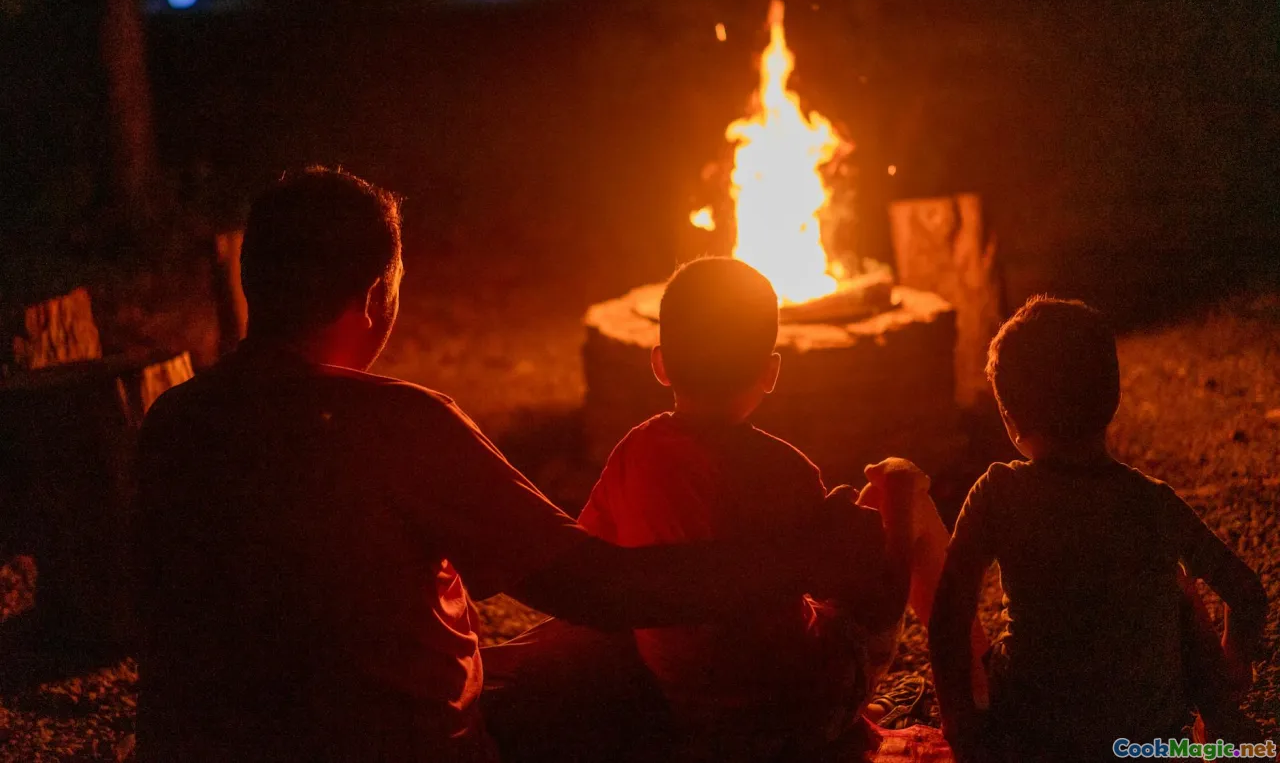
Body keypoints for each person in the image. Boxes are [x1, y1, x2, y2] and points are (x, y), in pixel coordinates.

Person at [134, 168, 890, 763]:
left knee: (542, 664)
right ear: (375, 296)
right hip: (397, 749)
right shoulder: (401, 426)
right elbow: (600, 588)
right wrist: (797, 554)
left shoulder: (172, 422)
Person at [575, 257, 983, 758]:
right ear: (770, 372)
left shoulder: (631, 453)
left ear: (658, 362)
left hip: (686, 707)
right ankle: (977, 689)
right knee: (900, 485)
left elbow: (593, 555)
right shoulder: (783, 470)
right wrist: (885, 520)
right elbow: (865, 594)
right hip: (801, 708)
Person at [929, 296, 1269, 762]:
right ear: (1114, 399)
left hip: (1030, 730)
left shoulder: (998, 492)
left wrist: (961, 726)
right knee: (1179, 594)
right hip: (1146, 734)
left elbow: (949, 611)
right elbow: (1247, 592)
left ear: (1010, 418)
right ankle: (1222, 722)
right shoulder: (1153, 502)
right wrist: (1232, 664)